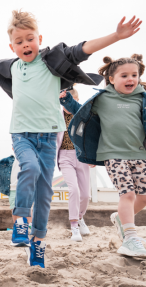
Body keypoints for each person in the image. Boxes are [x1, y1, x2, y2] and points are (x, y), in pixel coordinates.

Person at [0, 9, 141, 267]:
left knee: (44, 192)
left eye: (30, 38)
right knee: (28, 167)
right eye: (19, 42)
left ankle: (38, 244)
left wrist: (116, 36)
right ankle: (20, 220)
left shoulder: (51, 61)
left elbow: (81, 49)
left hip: (49, 135)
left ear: (39, 39)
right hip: (21, 134)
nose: (25, 44)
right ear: (12, 46)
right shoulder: (11, 66)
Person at [60, 54, 146, 257]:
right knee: (128, 194)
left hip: (140, 154)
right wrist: (68, 100)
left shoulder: (142, 98)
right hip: (113, 154)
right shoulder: (103, 98)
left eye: (134, 75)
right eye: (124, 75)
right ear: (111, 79)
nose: (130, 79)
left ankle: (120, 218)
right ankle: (131, 238)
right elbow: (81, 112)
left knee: (143, 197)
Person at [56, 87, 91, 242]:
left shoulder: (83, 115)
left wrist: (92, 156)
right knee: (74, 189)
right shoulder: (57, 116)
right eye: (64, 102)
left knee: (85, 195)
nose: (68, 105)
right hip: (64, 156)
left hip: (81, 156)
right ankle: (74, 226)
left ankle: (80, 217)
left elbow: (91, 136)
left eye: (72, 102)